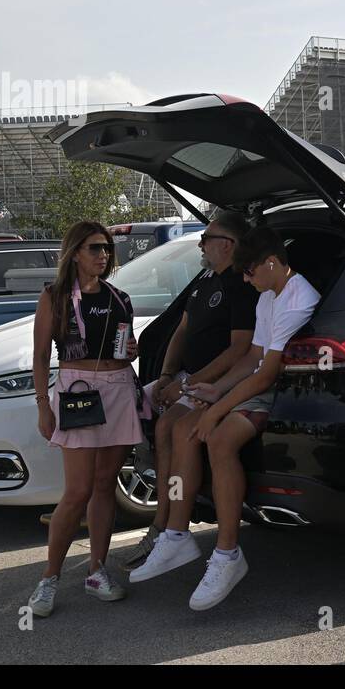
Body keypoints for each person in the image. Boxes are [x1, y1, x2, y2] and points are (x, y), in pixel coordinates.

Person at [129, 226, 320, 610]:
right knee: (183, 429)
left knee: (216, 438)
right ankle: (176, 534)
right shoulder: (269, 295)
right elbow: (251, 357)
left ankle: (227, 554)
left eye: (249, 272)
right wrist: (215, 391)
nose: (245, 280)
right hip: (254, 385)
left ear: (270, 263)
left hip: (279, 392)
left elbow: (266, 373)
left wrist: (217, 407)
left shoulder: (298, 299)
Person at [119, 210, 256, 571]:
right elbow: (182, 328)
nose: (200, 242)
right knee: (147, 420)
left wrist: (188, 383)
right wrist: (166, 375)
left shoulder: (241, 285)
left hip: (212, 384)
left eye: (206, 237)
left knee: (175, 429)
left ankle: (170, 526)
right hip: (186, 378)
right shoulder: (206, 279)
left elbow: (240, 350)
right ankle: (164, 522)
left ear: (226, 245)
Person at [27, 221, 144, 617]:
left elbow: (124, 349)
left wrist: (130, 349)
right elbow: (41, 355)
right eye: (95, 248)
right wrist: (43, 405)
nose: (103, 255)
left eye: (107, 249)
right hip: (78, 389)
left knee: (104, 485)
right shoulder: (55, 296)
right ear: (75, 251)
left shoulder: (119, 297)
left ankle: (96, 570)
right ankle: (49, 578)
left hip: (117, 387)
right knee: (76, 491)